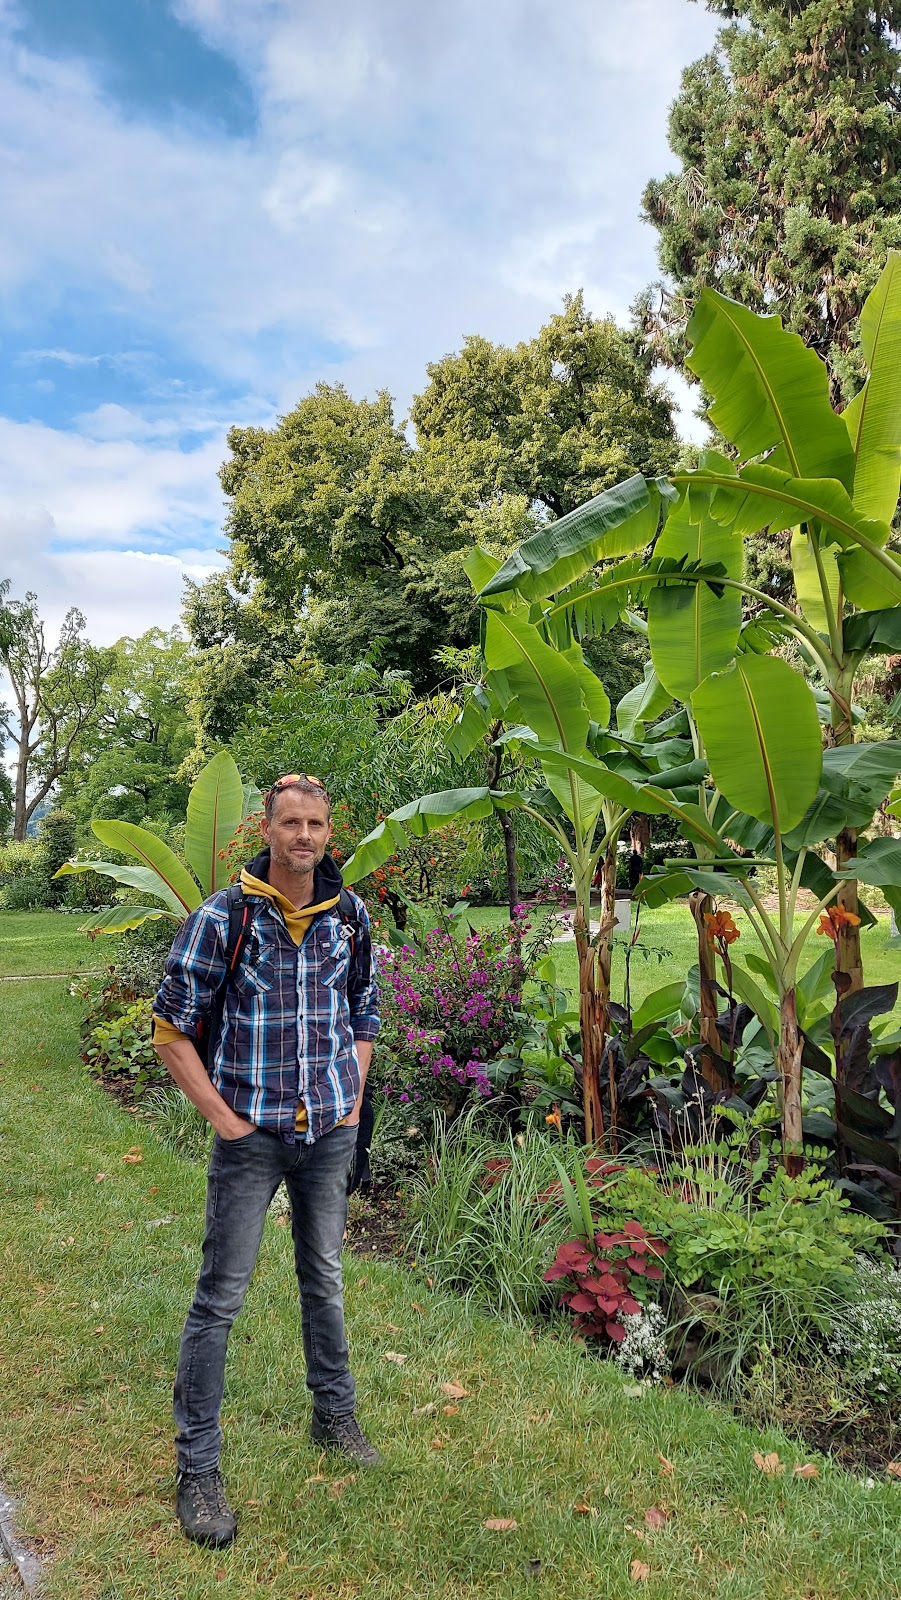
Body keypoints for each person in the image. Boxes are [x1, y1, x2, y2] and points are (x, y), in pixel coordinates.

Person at [152, 773, 381, 1548]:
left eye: (315, 824)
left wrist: (352, 1099)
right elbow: (170, 1029)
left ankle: (334, 1416)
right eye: (290, 823)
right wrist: (226, 1122)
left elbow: (363, 1009)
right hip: (251, 1136)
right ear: (268, 828)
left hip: (328, 1134)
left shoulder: (349, 916)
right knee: (220, 1297)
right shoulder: (225, 917)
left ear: (328, 831)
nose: (303, 836)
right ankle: (198, 1468)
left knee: (324, 1278)